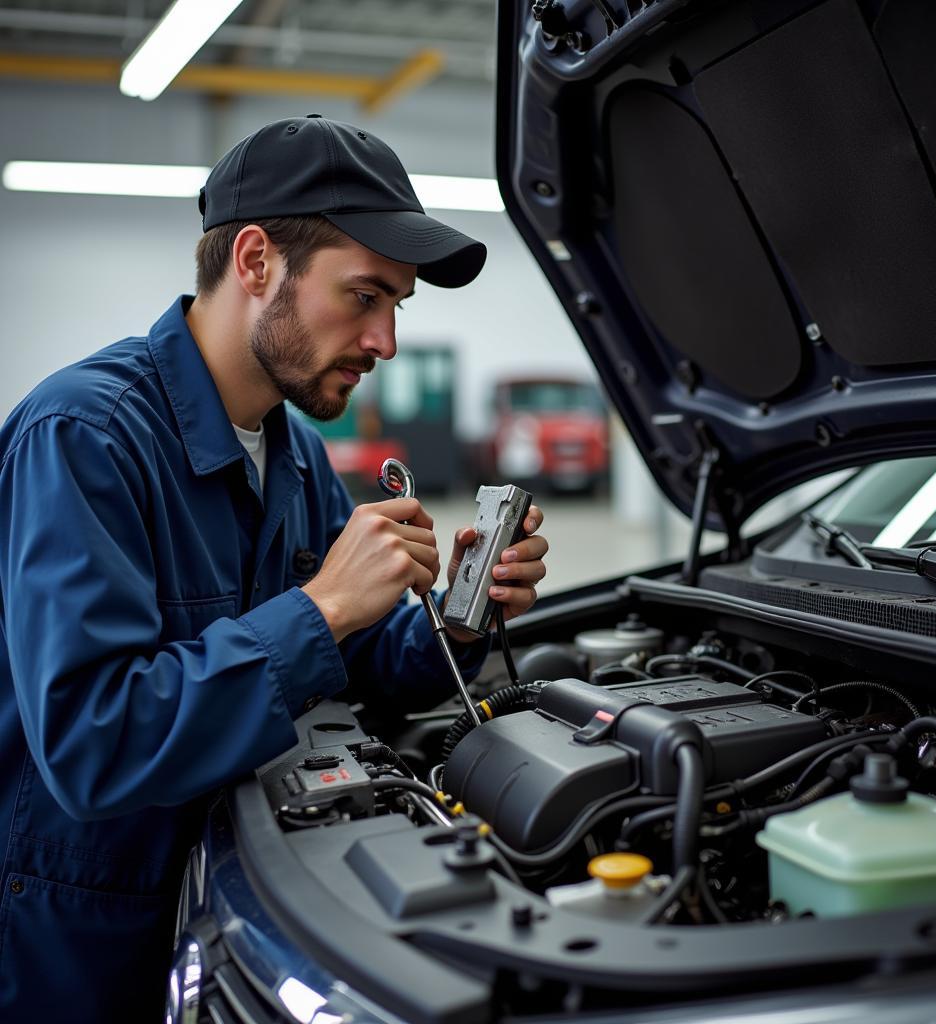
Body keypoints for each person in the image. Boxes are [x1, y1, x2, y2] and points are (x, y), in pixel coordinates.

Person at [0, 115, 549, 1021]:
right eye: (365, 296)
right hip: (85, 947)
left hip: (230, 902)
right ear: (256, 262)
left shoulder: (293, 457)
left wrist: (454, 615)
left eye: (397, 308)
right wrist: (325, 605)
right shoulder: (84, 439)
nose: (386, 343)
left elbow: (363, 661)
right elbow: (92, 741)